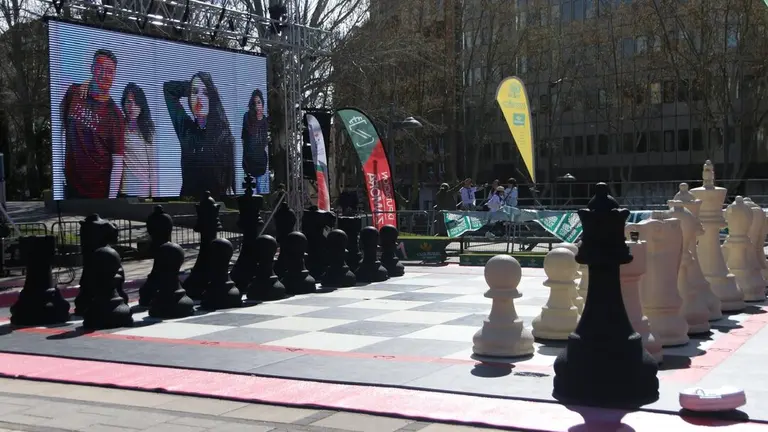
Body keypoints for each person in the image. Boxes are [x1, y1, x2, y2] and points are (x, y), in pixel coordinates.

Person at [60, 49, 124, 199]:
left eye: (109, 71)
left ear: (114, 75)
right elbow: (60, 130)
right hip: (69, 188)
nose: (104, 75)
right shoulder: (74, 92)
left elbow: (118, 163)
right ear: (91, 68)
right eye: (99, 68)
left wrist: (111, 201)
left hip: (98, 193)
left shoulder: (115, 115)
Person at [164, 72, 235, 198]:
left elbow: (230, 184)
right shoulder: (187, 130)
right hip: (186, 207)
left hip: (213, 209)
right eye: (195, 92)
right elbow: (168, 89)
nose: (199, 97)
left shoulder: (224, 136)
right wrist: (190, 86)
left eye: (205, 93)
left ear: (211, 97)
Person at [119, 83, 156, 198]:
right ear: (124, 103)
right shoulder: (119, 127)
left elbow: (152, 165)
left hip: (143, 189)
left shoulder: (147, 128)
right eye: (129, 102)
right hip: (125, 189)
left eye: (136, 103)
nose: (132, 107)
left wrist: (154, 195)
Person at [242, 89, 270, 194]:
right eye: (254, 103)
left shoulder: (265, 121)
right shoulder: (247, 117)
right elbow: (244, 138)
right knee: (249, 194)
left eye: (259, 102)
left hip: (262, 163)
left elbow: (266, 142)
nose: (257, 105)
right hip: (249, 162)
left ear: (262, 104)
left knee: (261, 192)